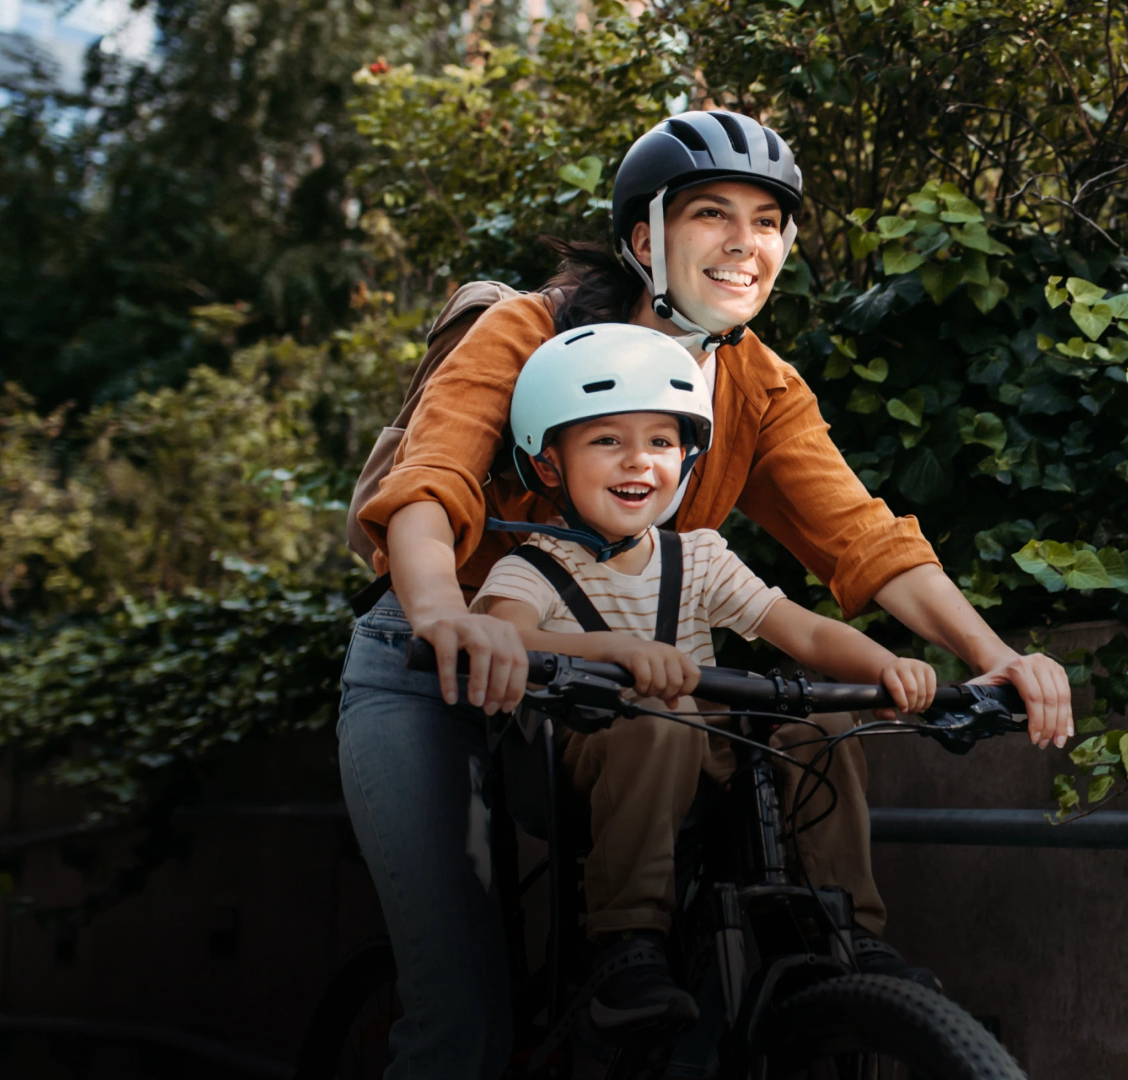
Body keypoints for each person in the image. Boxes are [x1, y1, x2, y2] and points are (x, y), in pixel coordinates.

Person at [337, 109, 1073, 1079]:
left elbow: (862, 539)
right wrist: (442, 614)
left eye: (767, 221)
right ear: (646, 239)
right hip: (438, 653)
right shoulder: (529, 332)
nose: (743, 243)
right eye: (711, 214)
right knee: (463, 1018)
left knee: (705, 958)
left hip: (627, 694)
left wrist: (994, 659)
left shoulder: (757, 385)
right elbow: (431, 487)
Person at [472, 322, 940, 1037]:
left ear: (687, 457)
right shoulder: (530, 566)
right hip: (590, 758)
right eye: (607, 440)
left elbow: (805, 632)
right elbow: (500, 634)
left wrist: (887, 666)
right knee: (658, 716)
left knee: (821, 725)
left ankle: (840, 925)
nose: (639, 460)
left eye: (662, 441)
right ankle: (626, 943)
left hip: (708, 751)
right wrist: (615, 650)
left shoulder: (697, 557)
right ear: (548, 465)